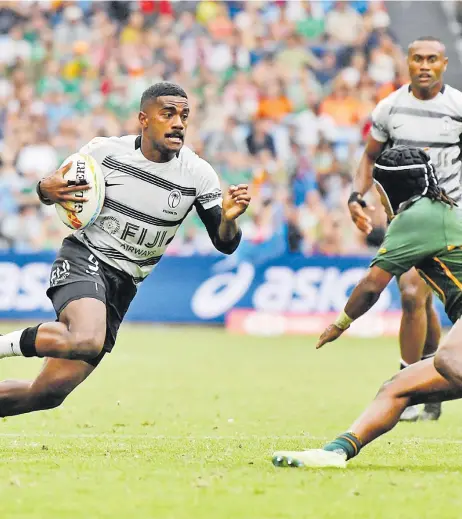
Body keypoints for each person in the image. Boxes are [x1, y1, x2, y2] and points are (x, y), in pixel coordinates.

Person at [0, 82, 251, 418]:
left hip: (124, 285)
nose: (179, 122)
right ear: (144, 119)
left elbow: (225, 242)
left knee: (46, 394)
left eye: (185, 115)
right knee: (86, 339)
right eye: (169, 114)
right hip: (85, 257)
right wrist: (44, 187)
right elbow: (53, 188)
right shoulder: (106, 153)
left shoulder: (198, 175)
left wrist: (230, 219)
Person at [272, 145, 462, 469]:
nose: (376, 201)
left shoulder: (414, 217)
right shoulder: (436, 210)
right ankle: (335, 452)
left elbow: (372, 286)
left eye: (378, 192)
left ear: (390, 189)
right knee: (398, 387)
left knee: (447, 358)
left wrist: (340, 323)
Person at [348, 36, 462, 422]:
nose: (425, 65)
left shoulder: (458, 108)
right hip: (410, 218)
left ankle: (420, 387)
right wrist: (355, 197)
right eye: (418, 59)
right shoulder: (390, 107)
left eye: (432, 59)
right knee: (414, 294)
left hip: (453, 218)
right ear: (407, 63)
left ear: (444, 63)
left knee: (431, 297)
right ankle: (412, 383)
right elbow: (369, 157)